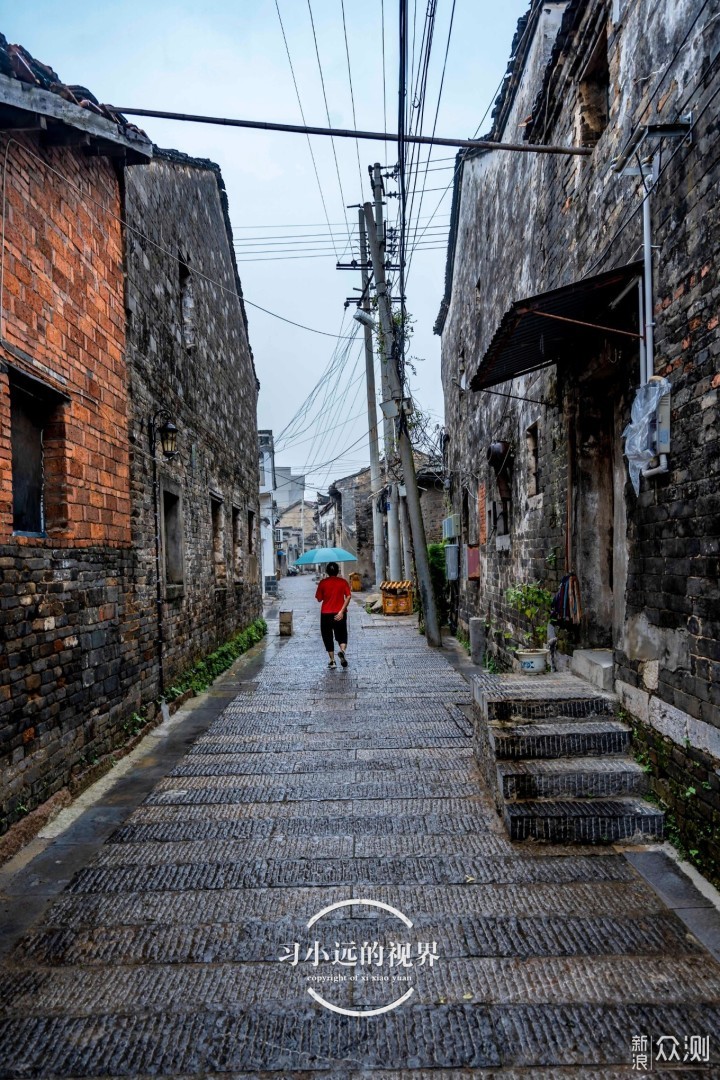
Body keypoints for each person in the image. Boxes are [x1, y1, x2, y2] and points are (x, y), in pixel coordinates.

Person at [315, 562, 352, 669]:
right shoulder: (343, 582)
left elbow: (319, 599)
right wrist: (341, 611)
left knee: (327, 636)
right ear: (337, 571)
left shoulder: (323, 583)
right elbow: (348, 596)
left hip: (326, 614)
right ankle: (342, 651)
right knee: (342, 635)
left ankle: (332, 661)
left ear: (327, 571)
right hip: (339, 614)